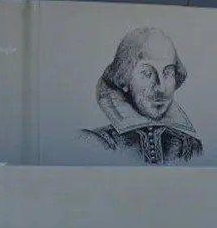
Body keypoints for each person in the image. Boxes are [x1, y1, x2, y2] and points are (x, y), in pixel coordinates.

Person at [83, 27, 202, 164]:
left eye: (168, 72)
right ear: (124, 79)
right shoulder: (98, 143)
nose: (161, 87)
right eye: (147, 73)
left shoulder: (191, 147)